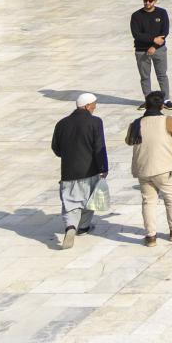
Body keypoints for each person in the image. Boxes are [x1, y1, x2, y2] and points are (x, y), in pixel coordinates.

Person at [126, 92, 172, 246]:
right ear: (162, 106)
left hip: (143, 168)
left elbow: (129, 141)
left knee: (148, 201)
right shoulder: (168, 120)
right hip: (164, 167)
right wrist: (168, 149)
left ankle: (150, 236)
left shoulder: (135, 123)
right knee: (171, 198)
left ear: (146, 105)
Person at [50, 92, 108, 249]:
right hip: (90, 169)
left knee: (70, 201)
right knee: (89, 200)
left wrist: (67, 156)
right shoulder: (95, 122)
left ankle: (70, 226)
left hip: (68, 171)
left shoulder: (62, 123)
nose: (95, 107)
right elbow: (99, 146)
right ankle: (82, 227)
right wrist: (103, 167)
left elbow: (55, 147)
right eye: (94, 104)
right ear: (87, 106)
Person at [132, 0, 172, 108]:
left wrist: (154, 46)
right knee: (145, 76)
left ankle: (166, 100)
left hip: (159, 49)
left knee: (162, 75)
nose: (147, 3)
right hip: (141, 50)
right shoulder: (136, 15)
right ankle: (148, 100)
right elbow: (137, 35)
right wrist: (153, 39)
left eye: (150, 1)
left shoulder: (162, 13)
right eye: (145, 0)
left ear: (155, 1)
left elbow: (164, 32)